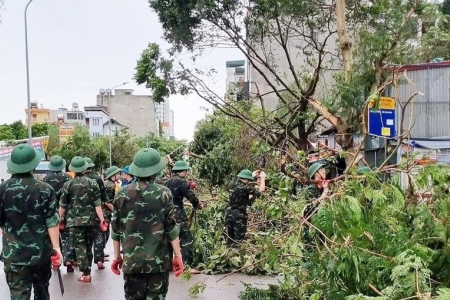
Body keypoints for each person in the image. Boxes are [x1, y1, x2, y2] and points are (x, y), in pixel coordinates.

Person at [111, 148, 184, 300]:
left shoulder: (121, 194)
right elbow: (171, 228)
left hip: (132, 263)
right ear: (156, 170)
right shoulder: (164, 193)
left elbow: (116, 230)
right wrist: (178, 256)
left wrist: (117, 256)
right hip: (158, 264)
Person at [0, 144, 62, 300]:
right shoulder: (45, 189)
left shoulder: (2, 190)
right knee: (42, 293)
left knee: (18, 295)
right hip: (40, 254)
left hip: (14, 257)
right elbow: (51, 221)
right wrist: (56, 248)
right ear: (33, 165)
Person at [59, 156, 108, 283]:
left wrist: (60, 219)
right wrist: (102, 219)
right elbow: (98, 204)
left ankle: (85, 273)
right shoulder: (93, 183)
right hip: (92, 221)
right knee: (88, 245)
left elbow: (63, 205)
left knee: (79, 246)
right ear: (85, 168)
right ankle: (88, 269)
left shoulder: (67, 185)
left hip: (74, 222)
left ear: (73, 169)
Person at [164, 160, 203, 272]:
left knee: (170, 238)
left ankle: (168, 265)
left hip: (166, 214)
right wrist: (197, 204)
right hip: (178, 215)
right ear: (184, 171)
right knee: (186, 238)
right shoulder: (181, 181)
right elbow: (190, 195)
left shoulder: (166, 182)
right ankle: (186, 266)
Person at [42, 155, 76, 273]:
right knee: (67, 236)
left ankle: (55, 262)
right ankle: (68, 260)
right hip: (66, 212)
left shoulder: (45, 180)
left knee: (52, 238)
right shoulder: (68, 178)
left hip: (50, 213)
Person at [225, 169, 265, 247]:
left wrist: (251, 175)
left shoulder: (232, 184)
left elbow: (243, 196)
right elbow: (261, 192)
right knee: (238, 240)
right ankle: (235, 256)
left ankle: (227, 255)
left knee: (230, 239)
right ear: (246, 179)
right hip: (239, 216)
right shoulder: (245, 188)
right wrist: (263, 178)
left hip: (229, 213)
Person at [83, 157, 111, 269]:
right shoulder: (97, 179)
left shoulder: (76, 180)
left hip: (80, 215)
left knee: (85, 241)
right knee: (99, 237)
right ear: (92, 167)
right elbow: (103, 197)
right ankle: (99, 260)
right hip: (96, 212)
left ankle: (85, 266)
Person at [103, 166, 122, 259]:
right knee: (104, 233)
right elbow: (107, 202)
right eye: (118, 174)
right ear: (113, 175)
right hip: (104, 212)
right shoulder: (110, 186)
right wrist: (115, 211)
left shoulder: (107, 183)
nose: (119, 176)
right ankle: (100, 254)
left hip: (103, 211)